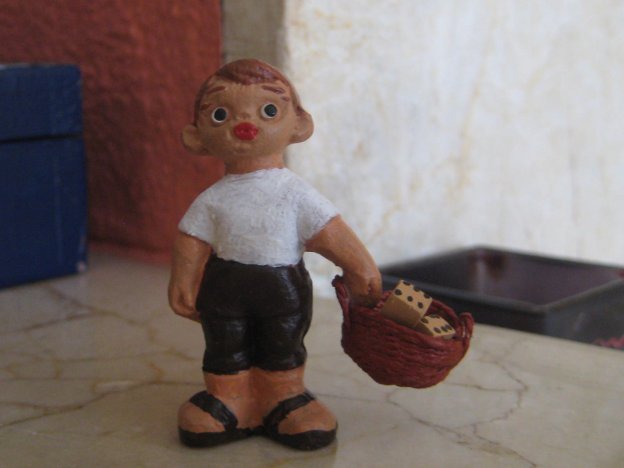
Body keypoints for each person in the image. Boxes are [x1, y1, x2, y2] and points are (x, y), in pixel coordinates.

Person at [168, 58, 382, 450]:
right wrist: (183, 280)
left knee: (283, 339)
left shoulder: (296, 194)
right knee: (224, 340)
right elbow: (191, 238)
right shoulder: (213, 200)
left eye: (269, 110)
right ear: (196, 136)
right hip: (224, 285)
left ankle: (284, 398)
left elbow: (331, 233)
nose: (245, 124)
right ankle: (227, 398)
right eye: (220, 115)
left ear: (299, 124)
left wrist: (360, 267)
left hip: (281, 286)